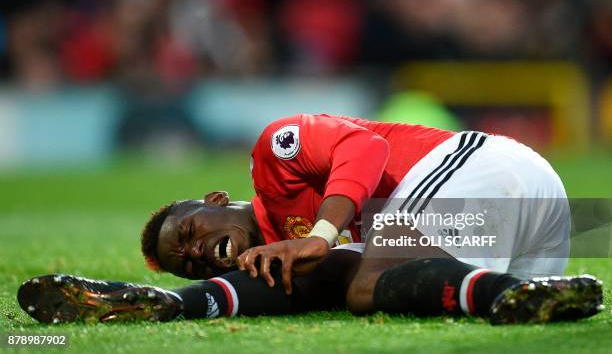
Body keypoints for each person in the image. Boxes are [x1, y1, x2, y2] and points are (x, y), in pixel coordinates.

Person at [17, 114, 604, 324]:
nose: (194, 251)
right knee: (353, 277)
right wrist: (314, 248)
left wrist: (321, 234)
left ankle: (502, 294)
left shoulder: (275, 154)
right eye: (185, 261)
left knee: (361, 280)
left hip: (478, 169)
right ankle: (522, 295)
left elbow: (366, 150)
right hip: (534, 219)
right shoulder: (286, 251)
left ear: (215, 199)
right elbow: (316, 269)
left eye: (189, 233)